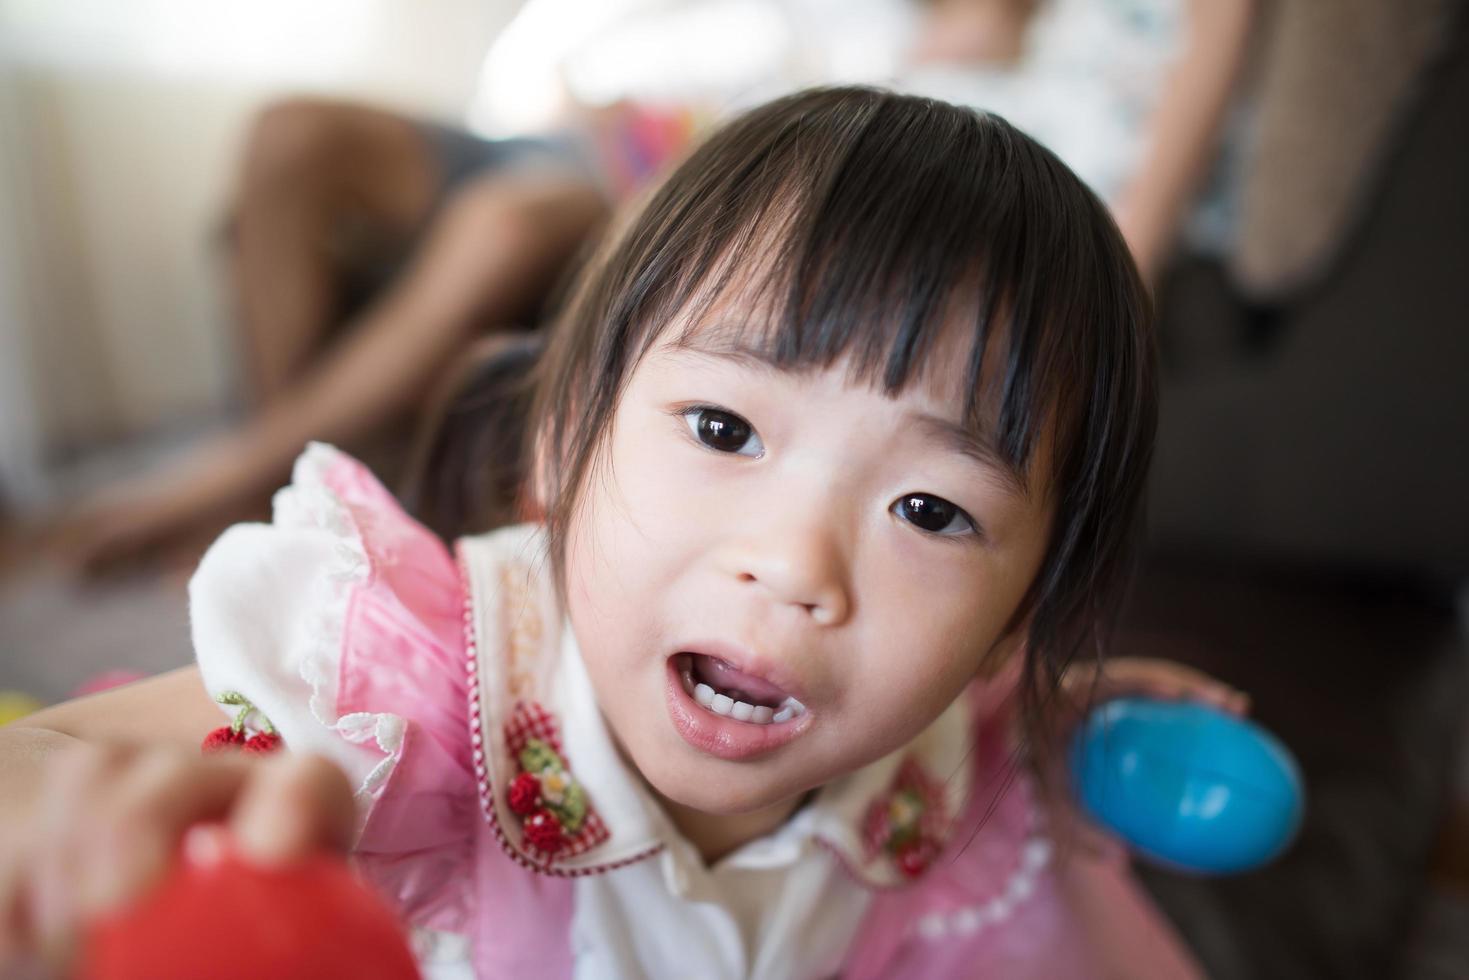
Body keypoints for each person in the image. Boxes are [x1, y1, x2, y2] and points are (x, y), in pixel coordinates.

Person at [2, 88, 1251, 978]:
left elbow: (984, 722)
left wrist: (1046, 717)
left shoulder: (925, 760)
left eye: (929, 510)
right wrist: (66, 819)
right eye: (720, 429)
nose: (792, 566)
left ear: (1015, 612)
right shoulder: (410, 700)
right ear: (561, 444)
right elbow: (57, 753)